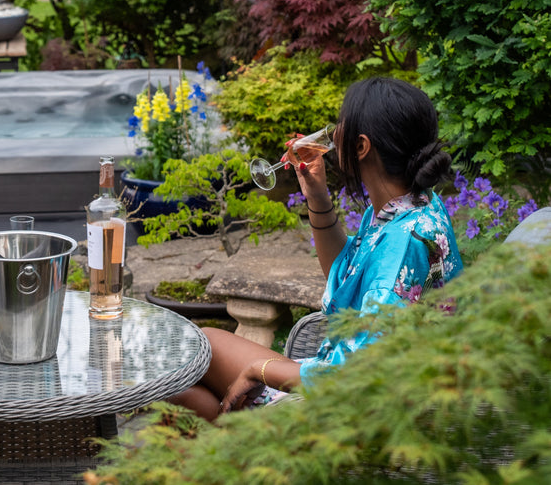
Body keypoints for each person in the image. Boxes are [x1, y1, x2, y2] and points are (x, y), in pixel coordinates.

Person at [171, 76, 464, 421]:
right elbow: (344, 276)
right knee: (192, 357)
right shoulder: (409, 208)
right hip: (343, 377)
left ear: (361, 147)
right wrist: (316, 194)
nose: (333, 132)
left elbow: (353, 375)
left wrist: (260, 370)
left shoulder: (405, 243)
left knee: (183, 387)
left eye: (342, 124)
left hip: (354, 413)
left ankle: (256, 458)